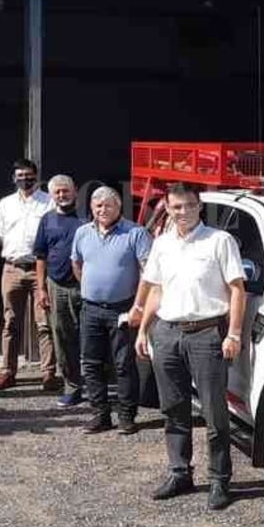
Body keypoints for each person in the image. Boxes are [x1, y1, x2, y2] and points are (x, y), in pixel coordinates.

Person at [135, 182, 246, 511]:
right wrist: (143, 330)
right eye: (175, 207)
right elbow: (155, 290)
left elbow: (237, 289)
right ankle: (179, 473)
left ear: (200, 206)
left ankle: (219, 480)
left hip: (206, 334)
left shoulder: (219, 241)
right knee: (174, 410)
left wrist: (234, 334)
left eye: (188, 205)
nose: (182, 212)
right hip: (167, 333)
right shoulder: (162, 244)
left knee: (214, 413)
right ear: (167, 208)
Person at [71, 186, 152, 434]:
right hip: (91, 309)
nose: (103, 210)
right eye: (98, 206)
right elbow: (77, 263)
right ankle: (100, 415)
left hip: (122, 309)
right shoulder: (82, 233)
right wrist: (92, 287)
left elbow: (147, 271)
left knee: (124, 364)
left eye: (108, 205)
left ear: (119, 207)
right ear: (92, 209)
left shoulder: (135, 233)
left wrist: (138, 306)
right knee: (92, 363)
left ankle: (127, 416)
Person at [0, 158, 54, 390]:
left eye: (28, 175)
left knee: (44, 323)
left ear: (36, 177)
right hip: (12, 269)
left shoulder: (49, 203)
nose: (24, 179)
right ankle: (8, 372)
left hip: (40, 270)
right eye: (20, 175)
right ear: (13, 178)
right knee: (10, 322)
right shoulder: (5, 204)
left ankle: (48, 373)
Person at [33, 175, 86, 407]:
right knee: (63, 338)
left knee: (91, 338)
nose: (62, 196)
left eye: (66, 191)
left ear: (75, 191)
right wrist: (41, 289)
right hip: (58, 287)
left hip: (86, 287)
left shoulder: (88, 218)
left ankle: (97, 387)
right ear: (52, 195)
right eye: (57, 192)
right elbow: (41, 256)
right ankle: (72, 387)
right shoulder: (47, 220)